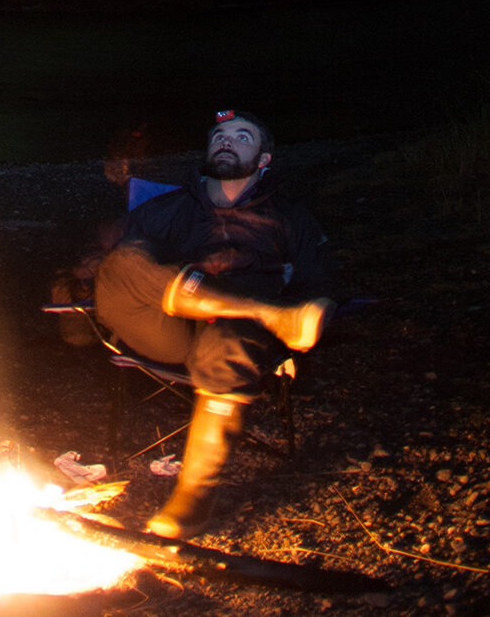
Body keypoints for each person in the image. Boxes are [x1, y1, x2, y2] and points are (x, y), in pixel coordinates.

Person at [94, 109, 336, 539]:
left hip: (231, 337)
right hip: (169, 329)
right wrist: (192, 269)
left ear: (263, 159)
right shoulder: (167, 209)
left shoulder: (289, 218)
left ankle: (194, 498)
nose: (226, 141)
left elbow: (320, 284)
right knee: (126, 259)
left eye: (242, 137)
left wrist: (304, 306)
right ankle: (267, 313)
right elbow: (114, 267)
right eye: (219, 136)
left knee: (228, 344)